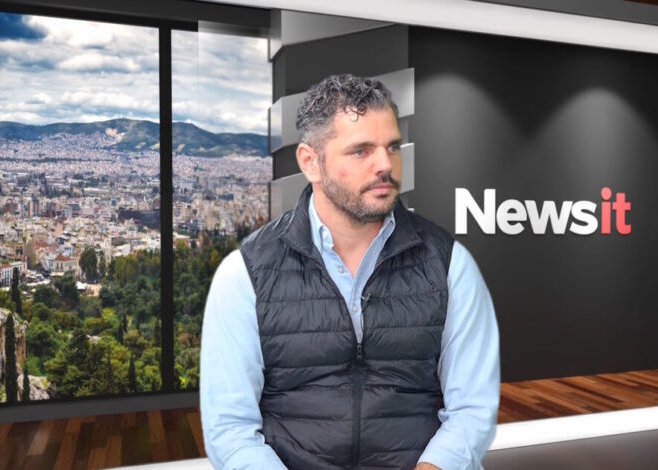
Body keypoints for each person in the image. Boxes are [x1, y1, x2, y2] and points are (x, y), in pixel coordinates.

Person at [200, 74, 499, 469]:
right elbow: (230, 428)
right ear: (310, 162)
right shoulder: (245, 274)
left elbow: (472, 409)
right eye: (361, 150)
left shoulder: (449, 264)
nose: (385, 165)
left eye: (392, 147)